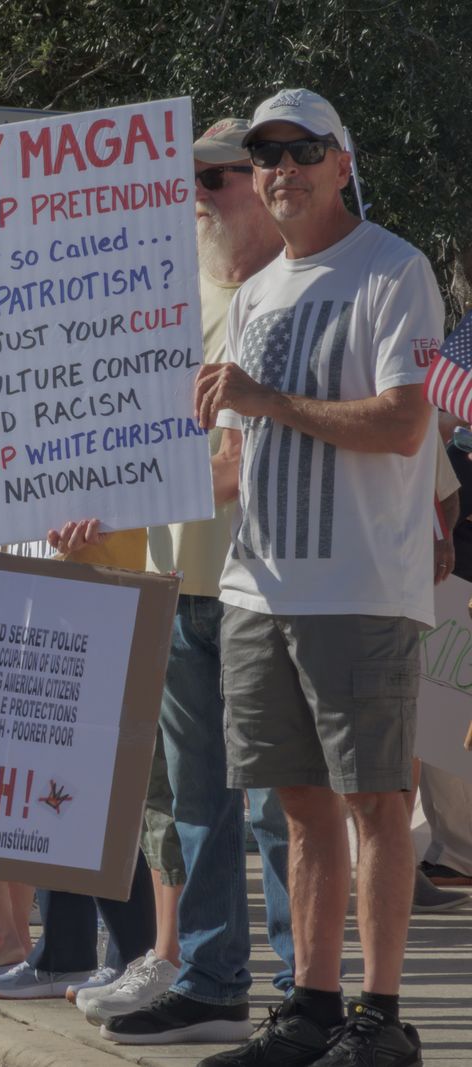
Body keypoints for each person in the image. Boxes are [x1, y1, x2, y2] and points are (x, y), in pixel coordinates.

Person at [195, 88, 442, 1067]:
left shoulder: (393, 269)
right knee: (294, 805)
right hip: (257, 588)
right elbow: (228, 460)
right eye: (263, 156)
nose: (279, 170)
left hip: (357, 587)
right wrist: (99, 483)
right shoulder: (253, 295)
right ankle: (309, 1006)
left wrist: (266, 399)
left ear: (342, 162)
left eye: (300, 151)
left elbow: (401, 423)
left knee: (375, 801)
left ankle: (381, 1018)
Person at [99, 118, 298, 1047]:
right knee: (199, 803)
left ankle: (304, 995)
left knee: (273, 806)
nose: (200, 193)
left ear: (261, 184)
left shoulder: (291, 295)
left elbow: (239, 463)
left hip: (265, 585)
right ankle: (216, 982)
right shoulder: (162, 301)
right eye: (192, 180)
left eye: (218, 177)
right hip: (177, 583)